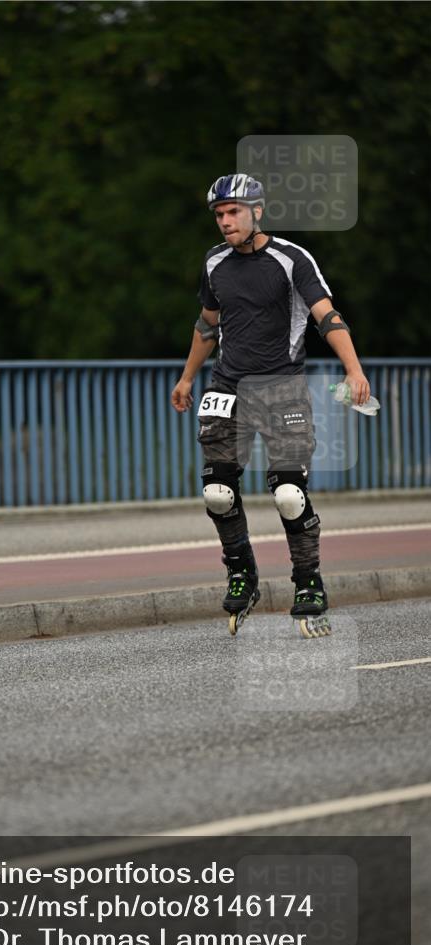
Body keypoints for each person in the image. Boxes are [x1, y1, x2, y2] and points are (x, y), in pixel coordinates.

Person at [171, 173, 371, 636]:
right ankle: (242, 572)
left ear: (257, 212)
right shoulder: (214, 262)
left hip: (282, 388)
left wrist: (354, 370)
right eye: (219, 214)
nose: (225, 221)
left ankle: (308, 581)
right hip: (227, 388)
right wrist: (186, 378)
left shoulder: (291, 259)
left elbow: (327, 317)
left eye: (233, 212)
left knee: (288, 495)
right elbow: (207, 325)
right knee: (217, 492)